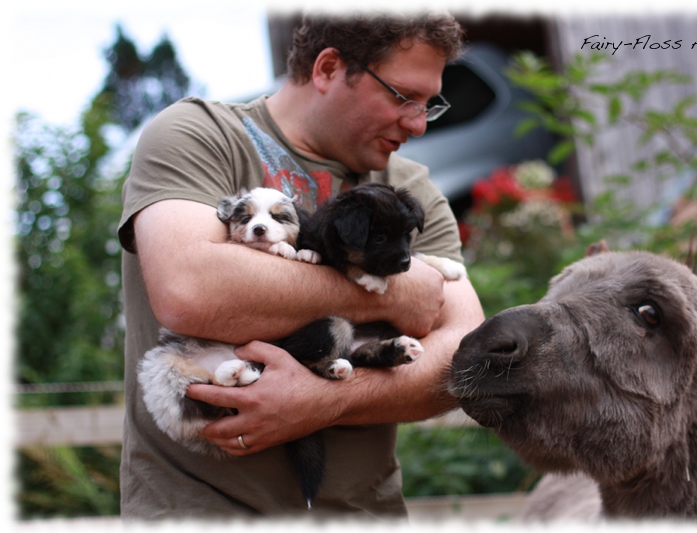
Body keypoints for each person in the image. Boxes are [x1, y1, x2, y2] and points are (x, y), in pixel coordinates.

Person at [117, 11, 484, 520]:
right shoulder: (199, 135)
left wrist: (329, 398)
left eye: (430, 104)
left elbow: (460, 358)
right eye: (402, 96)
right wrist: (391, 292)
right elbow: (190, 290)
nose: (418, 124)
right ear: (329, 68)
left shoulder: (410, 189)